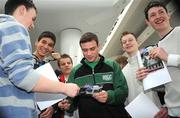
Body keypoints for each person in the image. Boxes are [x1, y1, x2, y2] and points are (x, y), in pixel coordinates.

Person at [0, 0, 79, 118]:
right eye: (33, 18)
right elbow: (22, 76)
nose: (32, 26)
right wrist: (65, 88)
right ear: (22, 10)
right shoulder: (14, 26)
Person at [66, 32, 129, 118]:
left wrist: (109, 96)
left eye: (92, 49)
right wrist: (68, 105)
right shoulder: (75, 72)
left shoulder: (112, 65)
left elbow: (123, 91)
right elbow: (72, 98)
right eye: (85, 50)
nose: (89, 53)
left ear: (99, 46)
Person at [136, 1, 180, 117]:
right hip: (172, 111)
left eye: (161, 12)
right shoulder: (153, 50)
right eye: (153, 15)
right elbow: (166, 85)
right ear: (148, 22)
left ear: (168, 14)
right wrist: (145, 79)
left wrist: (168, 58)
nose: (158, 16)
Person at [120, 31, 166, 117]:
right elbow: (126, 98)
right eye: (124, 42)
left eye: (130, 40)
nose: (127, 43)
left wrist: (166, 106)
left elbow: (166, 86)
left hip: (159, 112)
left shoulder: (151, 60)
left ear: (138, 42)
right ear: (123, 47)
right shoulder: (123, 72)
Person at [52, 54, 79, 118]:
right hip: (61, 114)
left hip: (77, 112)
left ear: (72, 64)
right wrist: (58, 105)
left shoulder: (79, 79)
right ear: (59, 67)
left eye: (68, 63)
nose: (66, 65)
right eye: (63, 64)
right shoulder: (55, 81)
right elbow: (51, 98)